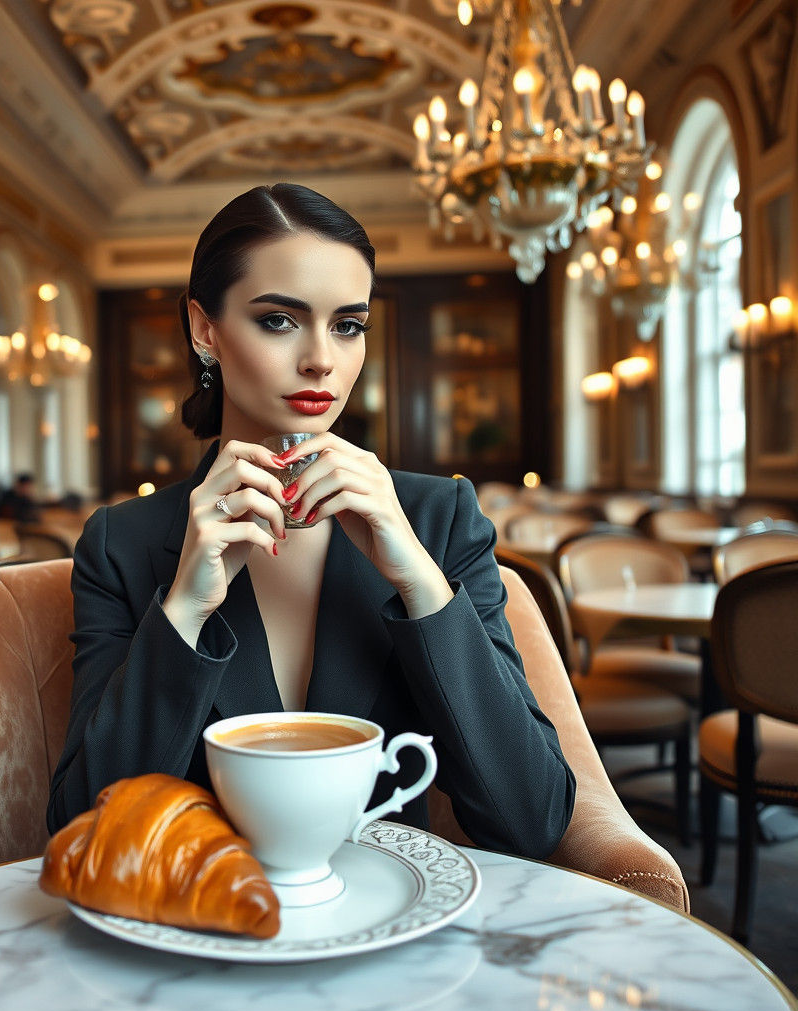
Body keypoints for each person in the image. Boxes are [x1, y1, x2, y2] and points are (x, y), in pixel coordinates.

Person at [48, 183, 575, 858]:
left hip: (397, 926)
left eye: (348, 325)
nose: (322, 358)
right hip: (194, 932)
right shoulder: (122, 543)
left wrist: (418, 580)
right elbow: (82, 831)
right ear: (204, 329)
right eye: (278, 320)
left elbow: (532, 817)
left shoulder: (440, 520)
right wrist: (182, 609)